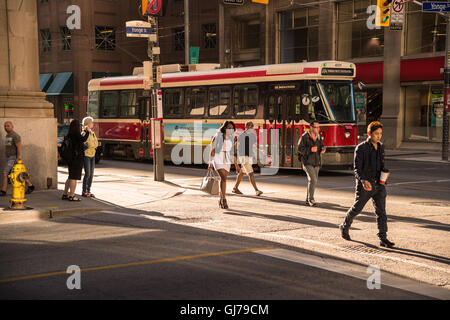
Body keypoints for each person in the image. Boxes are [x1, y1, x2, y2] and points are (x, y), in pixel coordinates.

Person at [339, 121, 395, 248]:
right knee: (357, 209)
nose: (379, 136)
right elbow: (357, 169)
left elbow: (381, 165)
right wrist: (363, 181)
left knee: (381, 212)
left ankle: (383, 237)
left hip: (379, 185)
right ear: (369, 133)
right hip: (365, 185)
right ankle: (344, 226)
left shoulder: (381, 147)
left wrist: (385, 174)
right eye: (376, 134)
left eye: (380, 134)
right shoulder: (361, 148)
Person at [208, 121, 240, 209]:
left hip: (227, 159)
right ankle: (224, 199)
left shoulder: (232, 138)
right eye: (228, 127)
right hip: (218, 158)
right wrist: (210, 163)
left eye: (232, 128)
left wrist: (236, 165)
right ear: (224, 128)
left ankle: (221, 199)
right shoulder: (217, 136)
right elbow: (212, 150)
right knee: (223, 178)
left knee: (223, 180)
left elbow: (233, 152)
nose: (230, 129)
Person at [1, 121, 34, 196]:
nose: (6, 127)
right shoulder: (7, 135)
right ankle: (30, 186)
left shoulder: (15, 136)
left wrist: (18, 158)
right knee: (20, 173)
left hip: (13, 157)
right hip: (8, 157)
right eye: (5, 126)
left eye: (8, 126)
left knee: (5, 173)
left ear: (12, 126)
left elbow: (19, 147)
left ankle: (3, 190)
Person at [297, 120, 326, 206]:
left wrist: (323, 149)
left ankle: (307, 199)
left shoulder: (318, 137)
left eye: (318, 127)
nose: (318, 129)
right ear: (311, 127)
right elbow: (299, 149)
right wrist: (310, 150)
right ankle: (311, 199)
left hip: (316, 162)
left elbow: (322, 146)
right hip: (307, 162)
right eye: (316, 127)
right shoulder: (304, 136)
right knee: (313, 179)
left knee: (313, 181)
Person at [232, 121, 263, 196]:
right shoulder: (241, 136)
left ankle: (235, 188)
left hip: (249, 156)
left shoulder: (252, 135)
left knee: (241, 172)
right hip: (243, 157)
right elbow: (235, 147)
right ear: (246, 127)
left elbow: (254, 146)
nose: (251, 128)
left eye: (252, 126)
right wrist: (236, 159)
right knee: (251, 173)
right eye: (250, 126)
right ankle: (256, 190)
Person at [62, 119, 89, 202]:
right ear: (77, 126)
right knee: (74, 178)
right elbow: (84, 139)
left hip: (70, 159)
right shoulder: (76, 134)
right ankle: (72, 196)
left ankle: (65, 194)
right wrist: (87, 131)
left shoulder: (69, 134)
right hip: (76, 159)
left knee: (70, 176)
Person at [81, 116, 98, 198]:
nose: (93, 124)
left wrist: (92, 145)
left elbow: (96, 144)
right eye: (92, 122)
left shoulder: (92, 133)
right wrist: (92, 145)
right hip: (86, 155)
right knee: (87, 173)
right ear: (87, 123)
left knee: (91, 174)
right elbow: (88, 144)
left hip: (92, 155)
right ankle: (84, 191)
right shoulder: (84, 133)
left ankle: (88, 190)